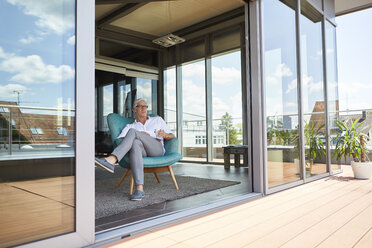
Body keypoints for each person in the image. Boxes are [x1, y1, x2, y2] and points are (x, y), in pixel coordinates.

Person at [95, 98, 174, 201]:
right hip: (142, 152)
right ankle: (139, 189)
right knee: (135, 142)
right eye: (140, 106)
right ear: (134, 109)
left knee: (133, 132)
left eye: (145, 106)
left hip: (156, 149)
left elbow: (172, 135)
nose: (143, 108)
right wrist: (140, 136)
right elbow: (120, 139)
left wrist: (165, 135)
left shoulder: (157, 120)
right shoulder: (130, 125)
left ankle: (112, 159)